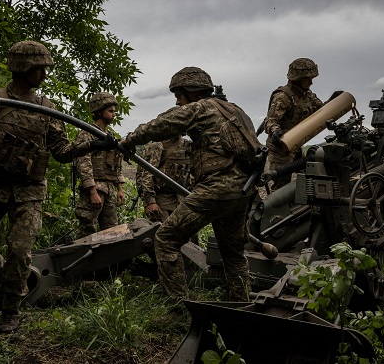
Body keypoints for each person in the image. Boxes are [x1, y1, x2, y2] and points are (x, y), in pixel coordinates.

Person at [0, 40, 116, 333]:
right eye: (39, 68)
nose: (44, 74)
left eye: (45, 68)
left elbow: (61, 152)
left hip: (30, 191)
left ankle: (11, 309)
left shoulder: (48, 109)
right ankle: (12, 281)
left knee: (20, 251)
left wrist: (92, 143)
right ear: (22, 67)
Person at [119, 66, 255, 302]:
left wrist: (129, 140)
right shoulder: (236, 111)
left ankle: (179, 306)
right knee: (233, 254)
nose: (178, 101)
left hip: (215, 190)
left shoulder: (201, 108)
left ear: (193, 92)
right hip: (242, 191)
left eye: (180, 95)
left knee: (165, 239)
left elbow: (162, 124)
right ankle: (242, 303)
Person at [264, 58, 324, 190]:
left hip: (296, 146)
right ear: (297, 78)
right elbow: (270, 120)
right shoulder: (283, 96)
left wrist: (333, 100)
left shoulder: (307, 95)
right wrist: (275, 131)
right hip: (281, 150)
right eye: (307, 78)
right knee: (281, 188)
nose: (311, 82)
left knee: (306, 181)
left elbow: (321, 110)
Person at [72, 92, 125, 238]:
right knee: (87, 229)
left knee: (112, 231)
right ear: (100, 111)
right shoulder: (87, 134)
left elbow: (116, 162)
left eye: (114, 111)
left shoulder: (109, 136)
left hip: (109, 189)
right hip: (94, 188)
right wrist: (92, 191)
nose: (114, 114)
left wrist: (119, 188)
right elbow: (83, 163)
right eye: (110, 111)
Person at [135, 136, 192, 223]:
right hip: (161, 200)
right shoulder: (158, 145)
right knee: (163, 232)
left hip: (182, 199)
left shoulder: (187, 145)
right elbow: (147, 175)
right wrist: (150, 202)